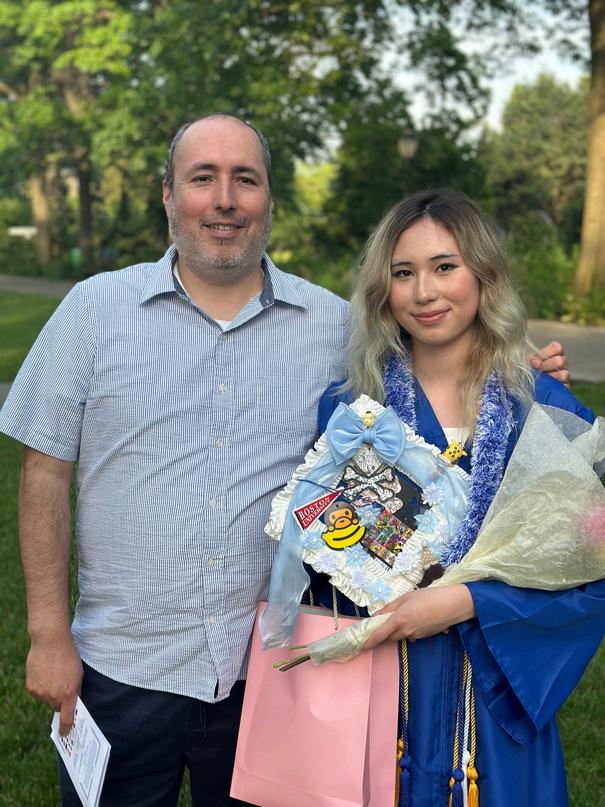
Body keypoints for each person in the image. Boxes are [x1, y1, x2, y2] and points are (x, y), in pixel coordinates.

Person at [0, 117, 569, 806]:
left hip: (271, 671)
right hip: (124, 666)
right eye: (202, 178)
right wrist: (47, 635)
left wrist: (521, 365)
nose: (225, 199)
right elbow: (44, 474)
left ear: (269, 198)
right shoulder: (93, 311)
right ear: (168, 195)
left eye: (245, 179)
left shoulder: (333, 328)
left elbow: (434, 347)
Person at [311, 189, 605, 806]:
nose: (424, 292)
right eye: (403, 273)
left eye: (445, 266)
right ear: (382, 289)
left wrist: (467, 600)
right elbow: (322, 556)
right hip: (381, 701)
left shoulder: (544, 414)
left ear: (484, 274)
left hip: (494, 710)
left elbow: (589, 570)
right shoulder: (351, 414)